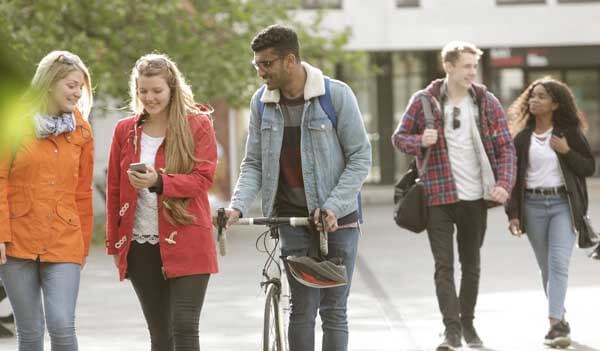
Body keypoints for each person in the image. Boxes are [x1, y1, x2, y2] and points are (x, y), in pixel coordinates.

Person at [225, 25, 371, 351]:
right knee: (302, 310)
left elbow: (361, 157)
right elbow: (254, 164)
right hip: (292, 220)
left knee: (334, 311)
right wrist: (237, 206)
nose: (261, 72)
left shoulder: (335, 96)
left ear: (289, 60)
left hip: (339, 221)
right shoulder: (261, 103)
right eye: (257, 65)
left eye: (266, 64)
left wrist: (332, 205)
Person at [392, 41, 516, 350]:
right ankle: (451, 330)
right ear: (448, 66)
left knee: (471, 265)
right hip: (438, 196)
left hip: (475, 197)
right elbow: (399, 138)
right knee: (444, 266)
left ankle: (468, 324)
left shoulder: (486, 102)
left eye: (474, 66)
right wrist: (420, 139)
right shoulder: (424, 101)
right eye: (466, 66)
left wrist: (504, 183)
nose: (472, 72)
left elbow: (506, 148)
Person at [105, 53, 218, 351]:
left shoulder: (198, 125)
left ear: (172, 89)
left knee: (183, 325)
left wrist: (159, 182)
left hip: (189, 238)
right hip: (141, 244)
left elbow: (203, 179)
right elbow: (115, 190)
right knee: (159, 332)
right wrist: (114, 242)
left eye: (157, 91)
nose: (149, 98)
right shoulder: (124, 130)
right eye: (143, 91)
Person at [0, 50, 94, 350]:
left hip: (64, 240)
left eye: (81, 86)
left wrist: (83, 245)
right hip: (17, 241)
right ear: (50, 83)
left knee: (61, 325)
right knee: (30, 331)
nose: (77, 92)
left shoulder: (82, 132)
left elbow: (83, 191)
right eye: (71, 84)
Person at [505, 77, 595, 348]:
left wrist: (566, 151)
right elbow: (514, 178)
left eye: (541, 96)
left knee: (558, 264)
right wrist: (513, 213)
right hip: (532, 206)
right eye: (532, 96)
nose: (534, 100)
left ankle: (555, 324)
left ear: (555, 104)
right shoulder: (522, 139)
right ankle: (561, 318)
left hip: (562, 205)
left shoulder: (568, 133)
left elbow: (588, 167)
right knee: (546, 268)